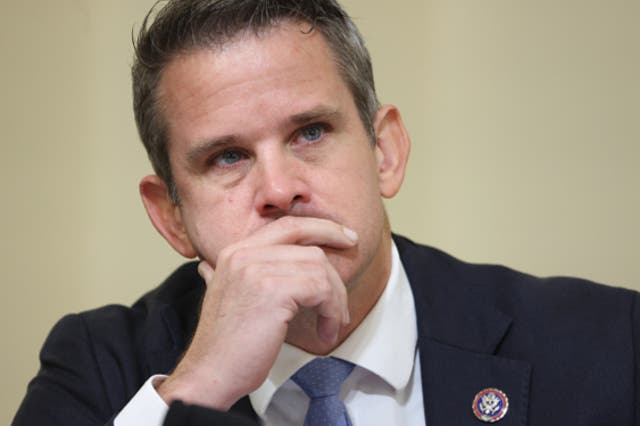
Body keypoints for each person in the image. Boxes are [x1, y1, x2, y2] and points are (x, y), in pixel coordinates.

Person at [13, 0, 639, 425]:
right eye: (228, 156)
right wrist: (196, 390)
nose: (280, 190)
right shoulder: (97, 366)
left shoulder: (606, 341)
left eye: (310, 132)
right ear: (171, 216)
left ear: (385, 152)